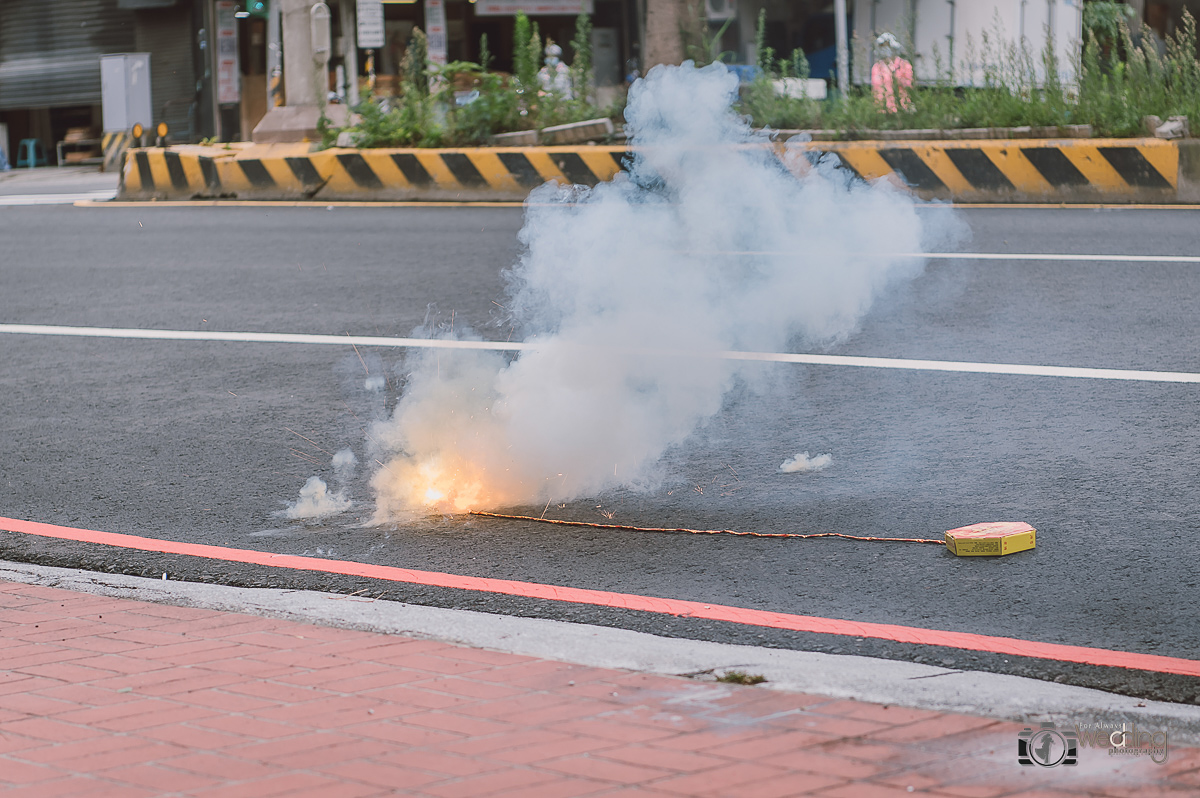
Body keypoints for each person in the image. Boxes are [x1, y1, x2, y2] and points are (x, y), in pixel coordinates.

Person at [871, 32, 913, 113]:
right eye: (882, 47)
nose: (885, 50)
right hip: (882, 109)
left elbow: (908, 85)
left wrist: (894, 74)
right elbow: (875, 88)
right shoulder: (876, 67)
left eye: (887, 46)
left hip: (901, 108)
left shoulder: (904, 65)